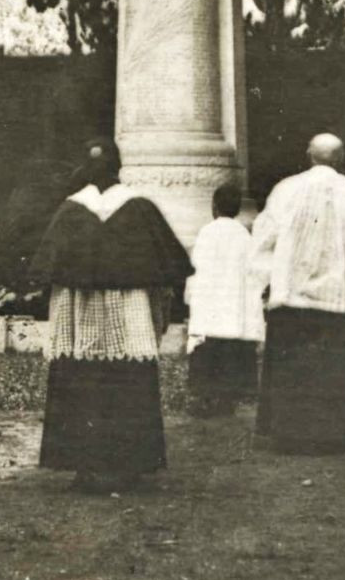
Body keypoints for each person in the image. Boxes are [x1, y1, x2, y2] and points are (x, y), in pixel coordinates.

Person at [30, 140, 191, 492]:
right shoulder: (139, 208)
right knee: (126, 380)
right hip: (128, 316)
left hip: (80, 316)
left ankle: (83, 468)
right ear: (119, 169)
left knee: (81, 378)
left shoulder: (70, 211)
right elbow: (168, 271)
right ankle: (129, 465)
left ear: (86, 172)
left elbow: (48, 270)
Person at [248, 133, 345, 452]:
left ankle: (291, 434)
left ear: (309, 155)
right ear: (341, 158)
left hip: (294, 296)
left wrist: (264, 280)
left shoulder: (286, 190)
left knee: (296, 365)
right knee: (336, 367)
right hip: (340, 298)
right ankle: (340, 435)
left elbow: (265, 237)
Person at [182, 183, 262, 417]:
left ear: (214, 206)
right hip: (234, 301)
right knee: (231, 348)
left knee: (209, 347)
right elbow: (253, 271)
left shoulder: (208, 232)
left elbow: (196, 267)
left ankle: (206, 399)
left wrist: (192, 295)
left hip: (212, 299)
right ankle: (227, 399)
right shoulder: (244, 235)